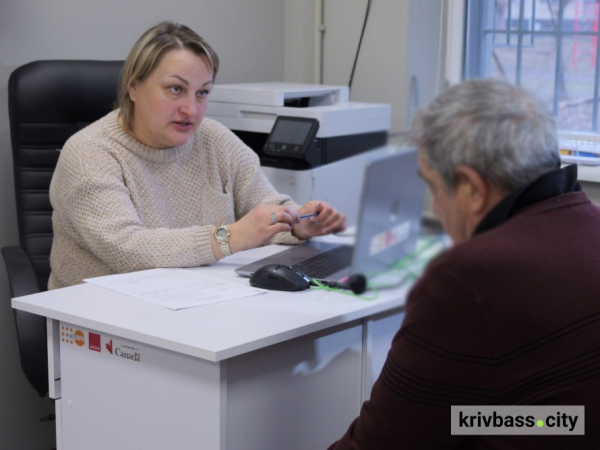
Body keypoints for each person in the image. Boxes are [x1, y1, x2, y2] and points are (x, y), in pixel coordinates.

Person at [329, 79, 600, 448]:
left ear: (472, 189)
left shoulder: (470, 280)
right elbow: (562, 418)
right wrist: (467, 420)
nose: (436, 208)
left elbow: (379, 444)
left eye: (434, 188)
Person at [48, 22, 345, 290]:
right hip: (100, 322)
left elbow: (265, 206)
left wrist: (297, 223)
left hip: (194, 300)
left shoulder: (214, 138)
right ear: (134, 87)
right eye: (175, 89)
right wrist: (230, 237)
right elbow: (127, 249)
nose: (191, 110)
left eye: (202, 93)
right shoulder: (89, 154)